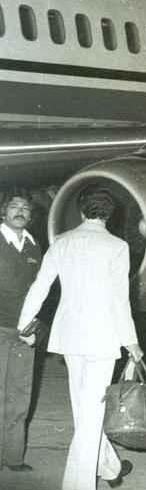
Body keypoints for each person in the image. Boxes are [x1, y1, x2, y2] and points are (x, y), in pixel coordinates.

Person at [18, 187, 142, 490]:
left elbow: (40, 286)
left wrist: (24, 324)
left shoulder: (62, 242)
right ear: (109, 214)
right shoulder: (117, 246)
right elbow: (119, 301)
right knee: (92, 410)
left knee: (84, 409)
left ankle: (110, 469)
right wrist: (132, 341)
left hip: (69, 336)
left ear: (81, 210)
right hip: (103, 336)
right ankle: (77, 488)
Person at [0, 193, 42, 472]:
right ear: (3, 211)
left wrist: (37, 325)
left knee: (20, 393)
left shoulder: (34, 246)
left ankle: (14, 457)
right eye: (14, 206)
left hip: (25, 331)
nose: (20, 211)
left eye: (25, 208)